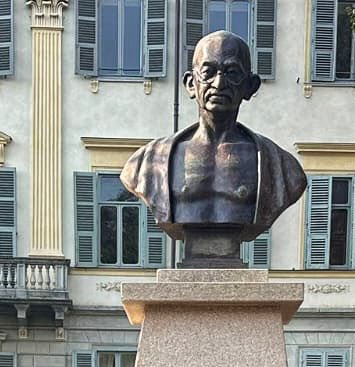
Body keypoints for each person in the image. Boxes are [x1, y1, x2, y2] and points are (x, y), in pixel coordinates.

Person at [121, 30, 307, 257]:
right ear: (191, 84)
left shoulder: (280, 166)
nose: (219, 83)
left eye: (232, 73)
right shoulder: (149, 162)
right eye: (208, 72)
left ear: (250, 86)